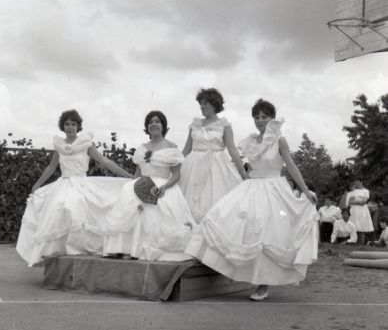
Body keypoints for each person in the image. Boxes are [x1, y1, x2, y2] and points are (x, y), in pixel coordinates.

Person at [186, 99, 318, 301]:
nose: (260, 120)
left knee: (267, 233)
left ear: (272, 118)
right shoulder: (251, 141)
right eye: (256, 117)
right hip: (252, 186)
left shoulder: (279, 140)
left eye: (264, 116)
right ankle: (219, 264)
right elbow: (239, 160)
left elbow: (291, 166)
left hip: (274, 189)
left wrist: (305, 190)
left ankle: (263, 285)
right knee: (222, 216)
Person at [16, 109, 133, 266]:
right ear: (62, 126)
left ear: (78, 126)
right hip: (63, 183)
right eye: (67, 124)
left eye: (73, 124)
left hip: (81, 183)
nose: (70, 127)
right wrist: (37, 184)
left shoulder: (85, 144)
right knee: (57, 211)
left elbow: (104, 161)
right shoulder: (59, 145)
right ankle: (59, 253)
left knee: (77, 209)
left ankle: (78, 251)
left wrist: (128, 176)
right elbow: (51, 167)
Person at [103, 111, 196, 261]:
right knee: (130, 206)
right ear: (147, 127)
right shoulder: (141, 148)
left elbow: (176, 175)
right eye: (150, 122)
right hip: (141, 184)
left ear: (163, 126)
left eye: (157, 121)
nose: (154, 124)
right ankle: (124, 248)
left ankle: (142, 249)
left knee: (157, 213)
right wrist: (132, 188)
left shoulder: (172, 148)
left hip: (163, 185)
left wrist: (165, 187)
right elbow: (137, 173)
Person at [180, 88, 247, 222]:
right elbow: (186, 149)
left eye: (205, 103)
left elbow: (232, 149)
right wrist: (173, 167)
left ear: (214, 104)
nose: (202, 106)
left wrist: (244, 174)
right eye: (201, 104)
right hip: (193, 167)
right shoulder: (194, 125)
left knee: (217, 203)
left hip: (216, 167)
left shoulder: (224, 125)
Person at [346, 179, 374, 245]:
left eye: (357, 182)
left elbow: (363, 202)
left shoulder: (366, 191)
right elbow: (349, 202)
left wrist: (354, 202)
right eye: (355, 182)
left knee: (361, 226)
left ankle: (361, 244)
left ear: (361, 182)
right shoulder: (354, 191)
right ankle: (353, 242)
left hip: (362, 211)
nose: (356, 183)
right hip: (353, 210)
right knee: (353, 226)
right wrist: (358, 201)